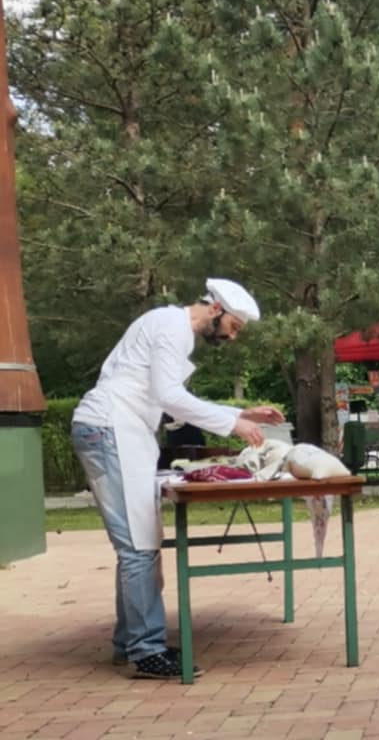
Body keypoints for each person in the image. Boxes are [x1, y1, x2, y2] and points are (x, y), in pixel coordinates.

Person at [71, 279, 283, 680]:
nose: (232, 337)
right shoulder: (173, 327)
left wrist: (240, 413)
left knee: (141, 542)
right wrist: (233, 424)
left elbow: (169, 401)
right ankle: (146, 650)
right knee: (139, 545)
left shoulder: (168, 326)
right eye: (234, 327)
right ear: (216, 310)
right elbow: (170, 397)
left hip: (117, 429)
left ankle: (129, 643)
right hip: (112, 428)